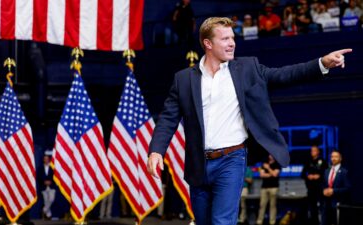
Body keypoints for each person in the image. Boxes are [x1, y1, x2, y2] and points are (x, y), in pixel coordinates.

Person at [147, 16, 352, 225]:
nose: (232, 43)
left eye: (233, 37)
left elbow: (285, 75)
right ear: (208, 44)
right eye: (225, 38)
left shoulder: (248, 68)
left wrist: (322, 64)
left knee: (222, 221)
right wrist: (156, 150)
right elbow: (167, 118)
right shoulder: (183, 79)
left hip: (232, 159)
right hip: (198, 164)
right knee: (203, 221)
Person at [321, 150, 350, 225]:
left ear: (340, 158)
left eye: (336, 157)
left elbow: (348, 188)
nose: (333, 158)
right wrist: (323, 190)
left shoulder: (344, 172)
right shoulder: (326, 171)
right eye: (332, 156)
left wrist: (333, 191)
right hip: (325, 204)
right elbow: (323, 185)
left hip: (337, 204)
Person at [301, 145, 328, 225]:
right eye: (311, 151)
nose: (313, 152)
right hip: (310, 189)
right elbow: (302, 174)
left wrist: (319, 176)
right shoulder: (308, 161)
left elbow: (326, 173)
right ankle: (314, 222)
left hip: (320, 188)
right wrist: (308, 176)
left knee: (322, 207)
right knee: (312, 208)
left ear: (318, 151)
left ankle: (323, 222)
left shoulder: (322, 161)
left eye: (314, 150)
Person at [256, 155, 281, 225]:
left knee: (273, 206)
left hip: (274, 187)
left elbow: (275, 174)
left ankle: (272, 222)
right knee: (262, 205)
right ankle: (259, 221)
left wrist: (268, 168)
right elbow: (261, 175)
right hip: (264, 187)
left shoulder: (277, 164)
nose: (271, 156)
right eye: (269, 154)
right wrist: (271, 174)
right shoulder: (264, 163)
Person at [38, 152, 56, 219]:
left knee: (51, 199)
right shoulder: (40, 167)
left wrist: (50, 181)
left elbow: (55, 176)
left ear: (49, 159)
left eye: (47, 159)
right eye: (45, 159)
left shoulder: (52, 167)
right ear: (43, 159)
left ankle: (44, 210)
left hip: (52, 186)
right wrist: (44, 182)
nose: (46, 160)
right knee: (46, 201)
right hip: (44, 186)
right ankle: (48, 216)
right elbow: (38, 177)